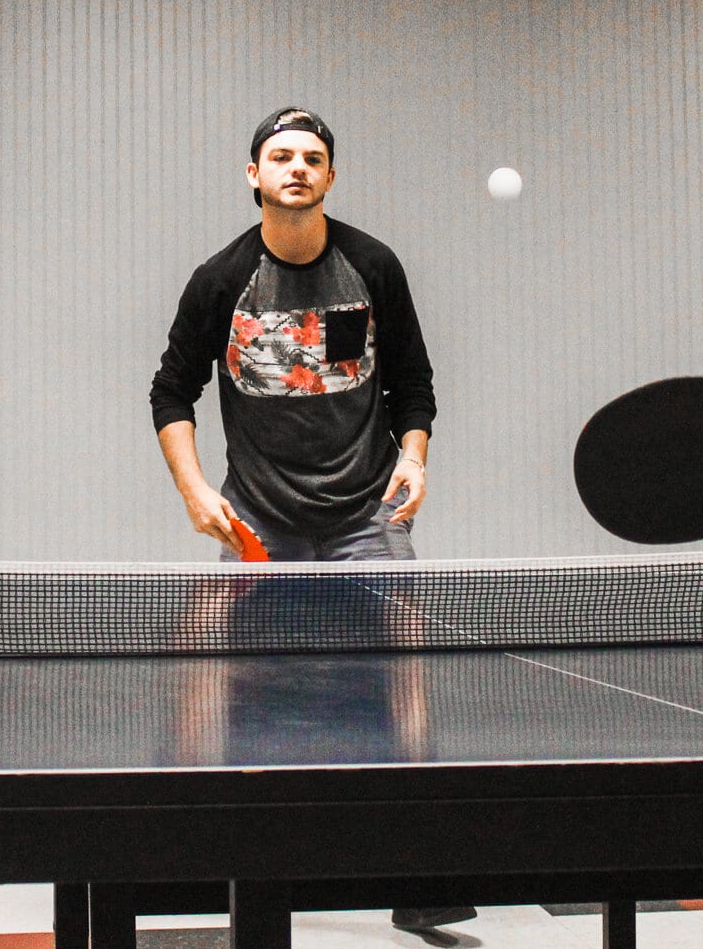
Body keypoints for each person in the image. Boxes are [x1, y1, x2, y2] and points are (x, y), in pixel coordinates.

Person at [148, 106, 470, 936]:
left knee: (409, 680)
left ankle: (421, 883)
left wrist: (414, 455)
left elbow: (414, 383)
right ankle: (250, 885)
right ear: (253, 175)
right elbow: (170, 390)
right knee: (237, 691)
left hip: (366, 509)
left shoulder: (373, 266)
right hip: (258, 519)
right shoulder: (221, 279)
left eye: (313, 157)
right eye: (280, 156)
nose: (297, 167)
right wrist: (194, 493)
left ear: (330, 177)